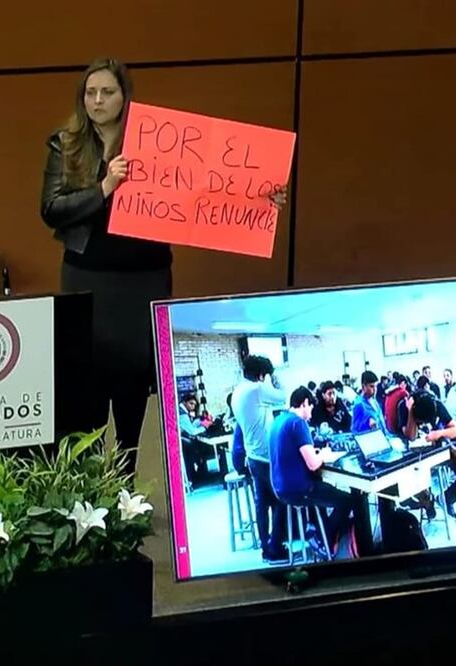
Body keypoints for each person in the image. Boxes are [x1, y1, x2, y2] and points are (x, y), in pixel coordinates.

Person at [40, 59, 286, 466]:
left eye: (107, 92)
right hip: (89, 280)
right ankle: (91, 485)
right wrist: (104, 186)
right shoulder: (64, 143)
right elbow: (51, 208)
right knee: (90, 385)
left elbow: (212, 184)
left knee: (134, 384)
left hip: (145, 280)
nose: (97, 101)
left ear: (125, 96)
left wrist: (261, 196)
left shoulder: (157, 141)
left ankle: (127, 476)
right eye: (90, 93)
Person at [269, 386, 355, 554]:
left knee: (326, 492)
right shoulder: (298, 423)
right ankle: (323, 539)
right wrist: (323, 454)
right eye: (311, 407)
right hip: (299, 489)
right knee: (348, 500)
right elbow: (313, 465)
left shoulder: (279, 420)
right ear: (305, 403)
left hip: (280, 487)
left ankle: (320, 530)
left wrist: (315, 454)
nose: (311, 412)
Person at [231, 355, 289, 563]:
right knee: (281, 500)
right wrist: (271, 379)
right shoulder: (256, 389)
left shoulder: (238, 391)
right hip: (266, 457)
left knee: (262, 504)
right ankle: (275, 548)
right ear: (261, 375)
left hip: (252, 455)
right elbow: (283, 396)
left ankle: (266, 547)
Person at [399, 391, 456, 519]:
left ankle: (446, 499)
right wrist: (411, 412)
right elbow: (411, 436)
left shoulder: (437, 404)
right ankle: (428, 504)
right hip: (415, 455)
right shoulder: (404, 406)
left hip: (440, 447)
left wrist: (439, 433)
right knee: (414, 476)